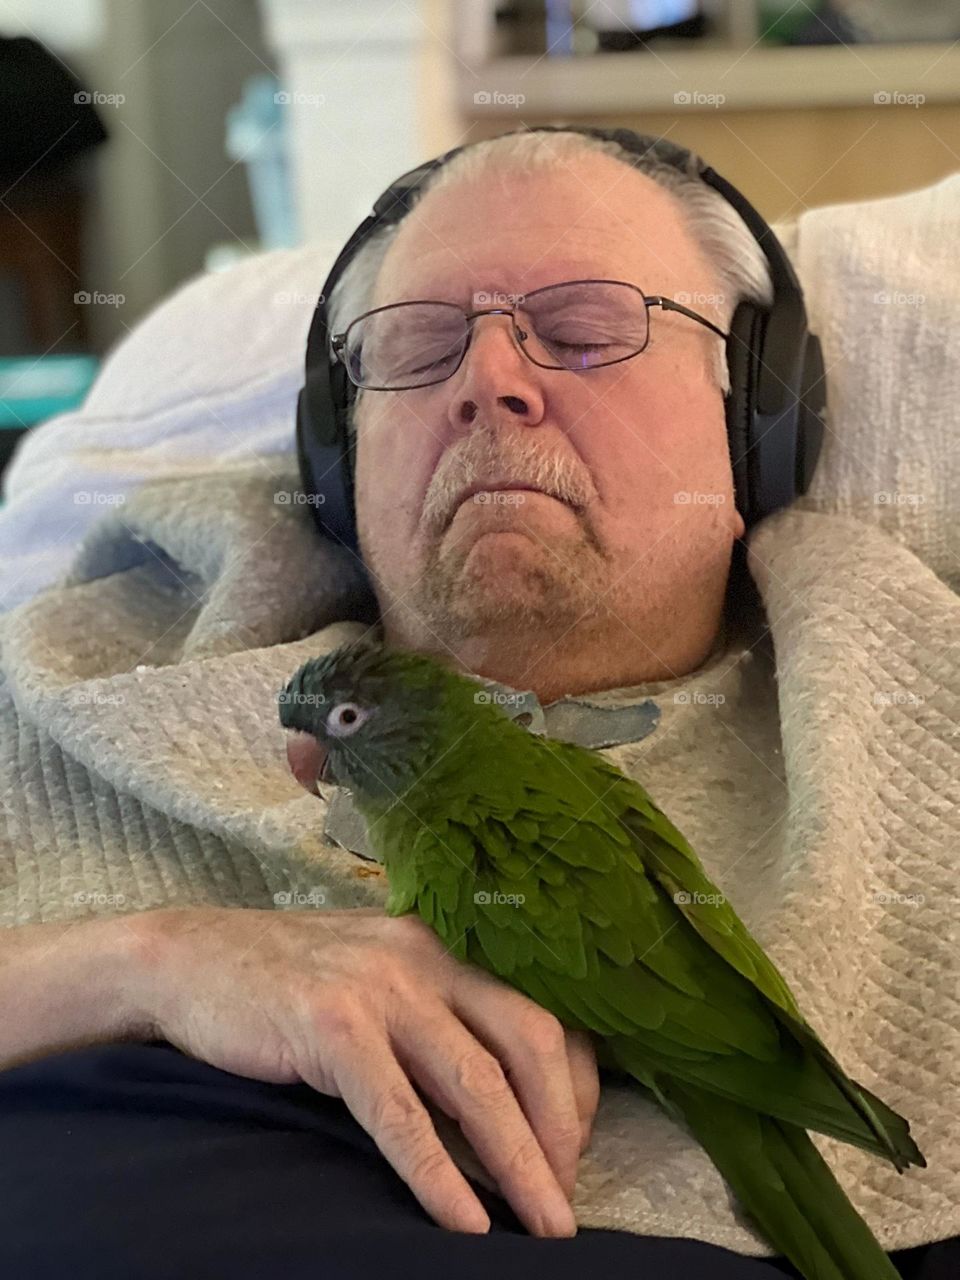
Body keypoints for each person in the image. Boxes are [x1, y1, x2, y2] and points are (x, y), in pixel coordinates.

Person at [0, 128, 955, 1279]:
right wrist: (144, 962)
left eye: (589, 330)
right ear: (336, 451)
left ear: (756, 421)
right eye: (417, 344)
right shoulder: (73, 673)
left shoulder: (917, 710)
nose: (490, 383)